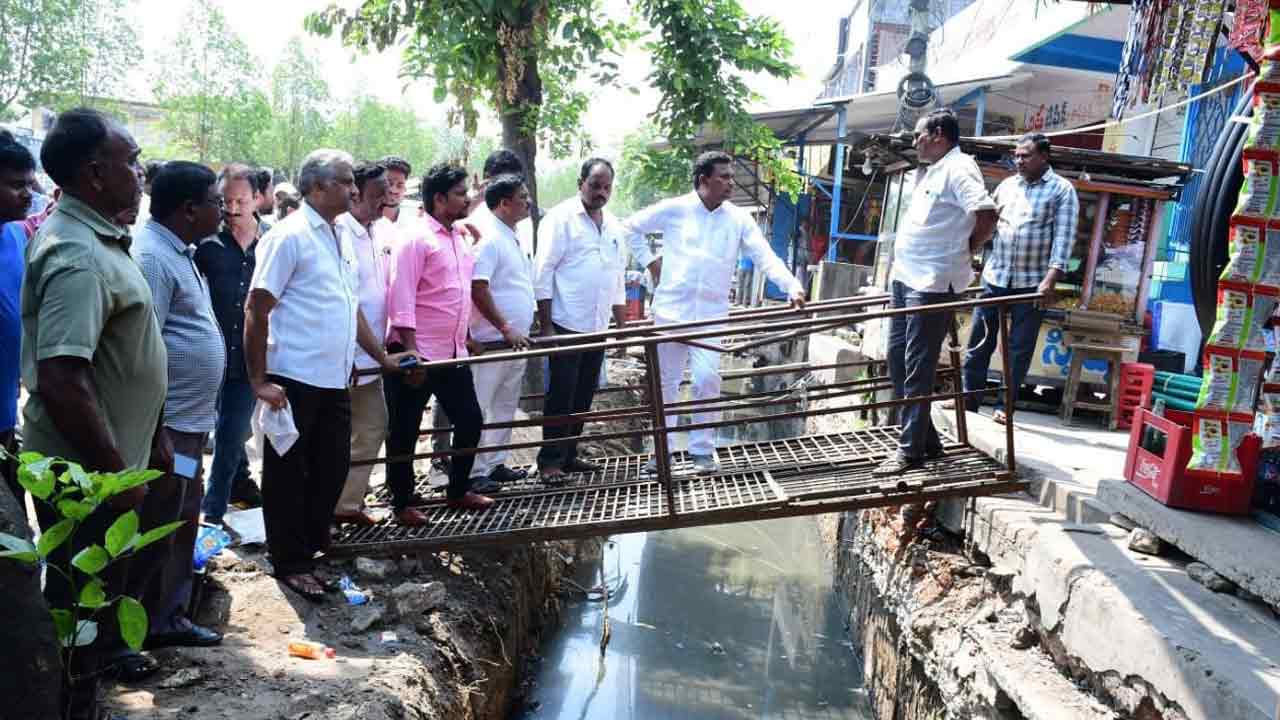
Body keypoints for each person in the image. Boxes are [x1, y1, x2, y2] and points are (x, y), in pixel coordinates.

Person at [22, 107, 171, 714]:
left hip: (113, 467)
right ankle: (76, 701)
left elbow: (121, 353)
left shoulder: (102, 237)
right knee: (78, 595)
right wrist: (113, 472)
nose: (140, 172)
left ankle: (95, 673)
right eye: (130, 161)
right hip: (85, 476)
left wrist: (152, 439)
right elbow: (62, 377)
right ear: (95, 173)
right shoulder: (76, 254)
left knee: (103, 585)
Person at [246, 149, 413, 600]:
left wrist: (381, 358)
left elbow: (351, 307)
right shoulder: (289, 237)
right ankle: (291, 561)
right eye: (345, 182)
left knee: (332, 466)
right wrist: (259, 381)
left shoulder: (340, 235)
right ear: (317, 187)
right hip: (295, 377)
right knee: (288, 474)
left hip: (335, 377)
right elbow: (256, 309)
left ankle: (314, 539)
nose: (355, 190)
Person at [622, 151, 806, 474]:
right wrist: (651, 262)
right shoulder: (675, 209)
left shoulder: (738, 219)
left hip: (710, 315)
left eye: (731, 177)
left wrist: (791, 285)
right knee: (667, 384)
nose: (730, 183)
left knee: (707, 379)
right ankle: (661, 454)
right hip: (671, 312)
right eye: (724, 177)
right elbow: (630, 228)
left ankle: (702, 452)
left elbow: (765, 256)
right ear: (703, 180)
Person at [133, 161, 226, 650]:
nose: (224, 208)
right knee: (166, 519)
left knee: (183, 513)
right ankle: (152, 622)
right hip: (169, 429)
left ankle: (166, 615)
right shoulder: (151, 257)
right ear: (189, 208)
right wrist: (158, 429)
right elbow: (141, 350)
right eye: (215, 199)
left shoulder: (179, 251)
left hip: (186, 426)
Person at [874, 109, 996, 476]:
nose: (915, 141)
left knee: (917, 365)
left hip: (932, 281)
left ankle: (909, 450)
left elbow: (987, 213)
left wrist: (966, 250)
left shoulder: (959, 168)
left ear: (939, 134)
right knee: (896, 359)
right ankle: (928, 441)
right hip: (906, 276)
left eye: (919, 134)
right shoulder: (934, 170)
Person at [385, 163, 494, 522]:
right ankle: (402, 503)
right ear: (439, 198)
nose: (466, 199)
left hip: (451, 353)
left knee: (470, 419)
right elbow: (401, 295)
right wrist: (410, 349)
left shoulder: (456, 236)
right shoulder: (417, 239)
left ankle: (458, 490)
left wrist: (465, 337)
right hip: (417, 353)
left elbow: (456, 294)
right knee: (404, 428)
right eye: (461, 194)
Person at [962, 133, 1078, 423]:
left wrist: (1050, 279)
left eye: (1025, 155)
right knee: (979, 341)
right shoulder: (1007, 185)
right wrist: (972, 254)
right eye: (1016, 155)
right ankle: (968, 399)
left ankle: (1005, 407)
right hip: (995, 276)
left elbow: (1063, 239)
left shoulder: (1061, 190)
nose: (1019, 161)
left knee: (1019, 349)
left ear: (1043, 157)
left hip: (1032, 283)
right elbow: (989, 225)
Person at [533, 158, 629, 483]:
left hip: (597, 326)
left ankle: (570, 455)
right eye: (594, 185)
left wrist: (622, 327)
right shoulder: (560, 219)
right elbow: (543, 272)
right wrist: (546, 326)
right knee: (561, 394)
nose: (601, 192)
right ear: (580, 183)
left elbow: (617, 279)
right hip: (565, 323)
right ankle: (550, 462)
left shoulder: (614, 225)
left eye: (606, 187)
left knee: (584, 394)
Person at [196, 164, 263, 526]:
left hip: (251, 359)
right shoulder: (205, 245)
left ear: (258, 199)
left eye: (241, 200)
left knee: (229, 432)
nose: (233, 208)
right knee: (222, 428)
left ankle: (212, 511)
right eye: (226, 201)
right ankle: (241, 482)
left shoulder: (272, 244)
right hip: (209, 354)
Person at [334, 162, 393, 526]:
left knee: (370, 427)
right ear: (356, 193)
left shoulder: (381, 230)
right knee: (354, 430)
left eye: (385, 194)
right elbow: (348, 304)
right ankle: (335, 504)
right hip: (350, 355)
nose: (382, 201)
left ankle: (344, 503)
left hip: (373, 352)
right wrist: (372, 354)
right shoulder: (341, 233)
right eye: (376, 194)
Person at [469, 174, 535, 486]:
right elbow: (478, 288)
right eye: (522, 197)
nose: (528, 201)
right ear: (504, 203)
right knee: (481, 405)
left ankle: (495, 464)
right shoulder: (490, 238)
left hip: (515, 341)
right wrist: (505, 326)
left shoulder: (512, 234)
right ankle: (473, 471)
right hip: (493, 340)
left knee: (505, 405)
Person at [0, 138, 35, 504]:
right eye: (16, 184)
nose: (28, 194)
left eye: (30, 183)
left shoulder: (15, 234)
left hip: (7, 410)